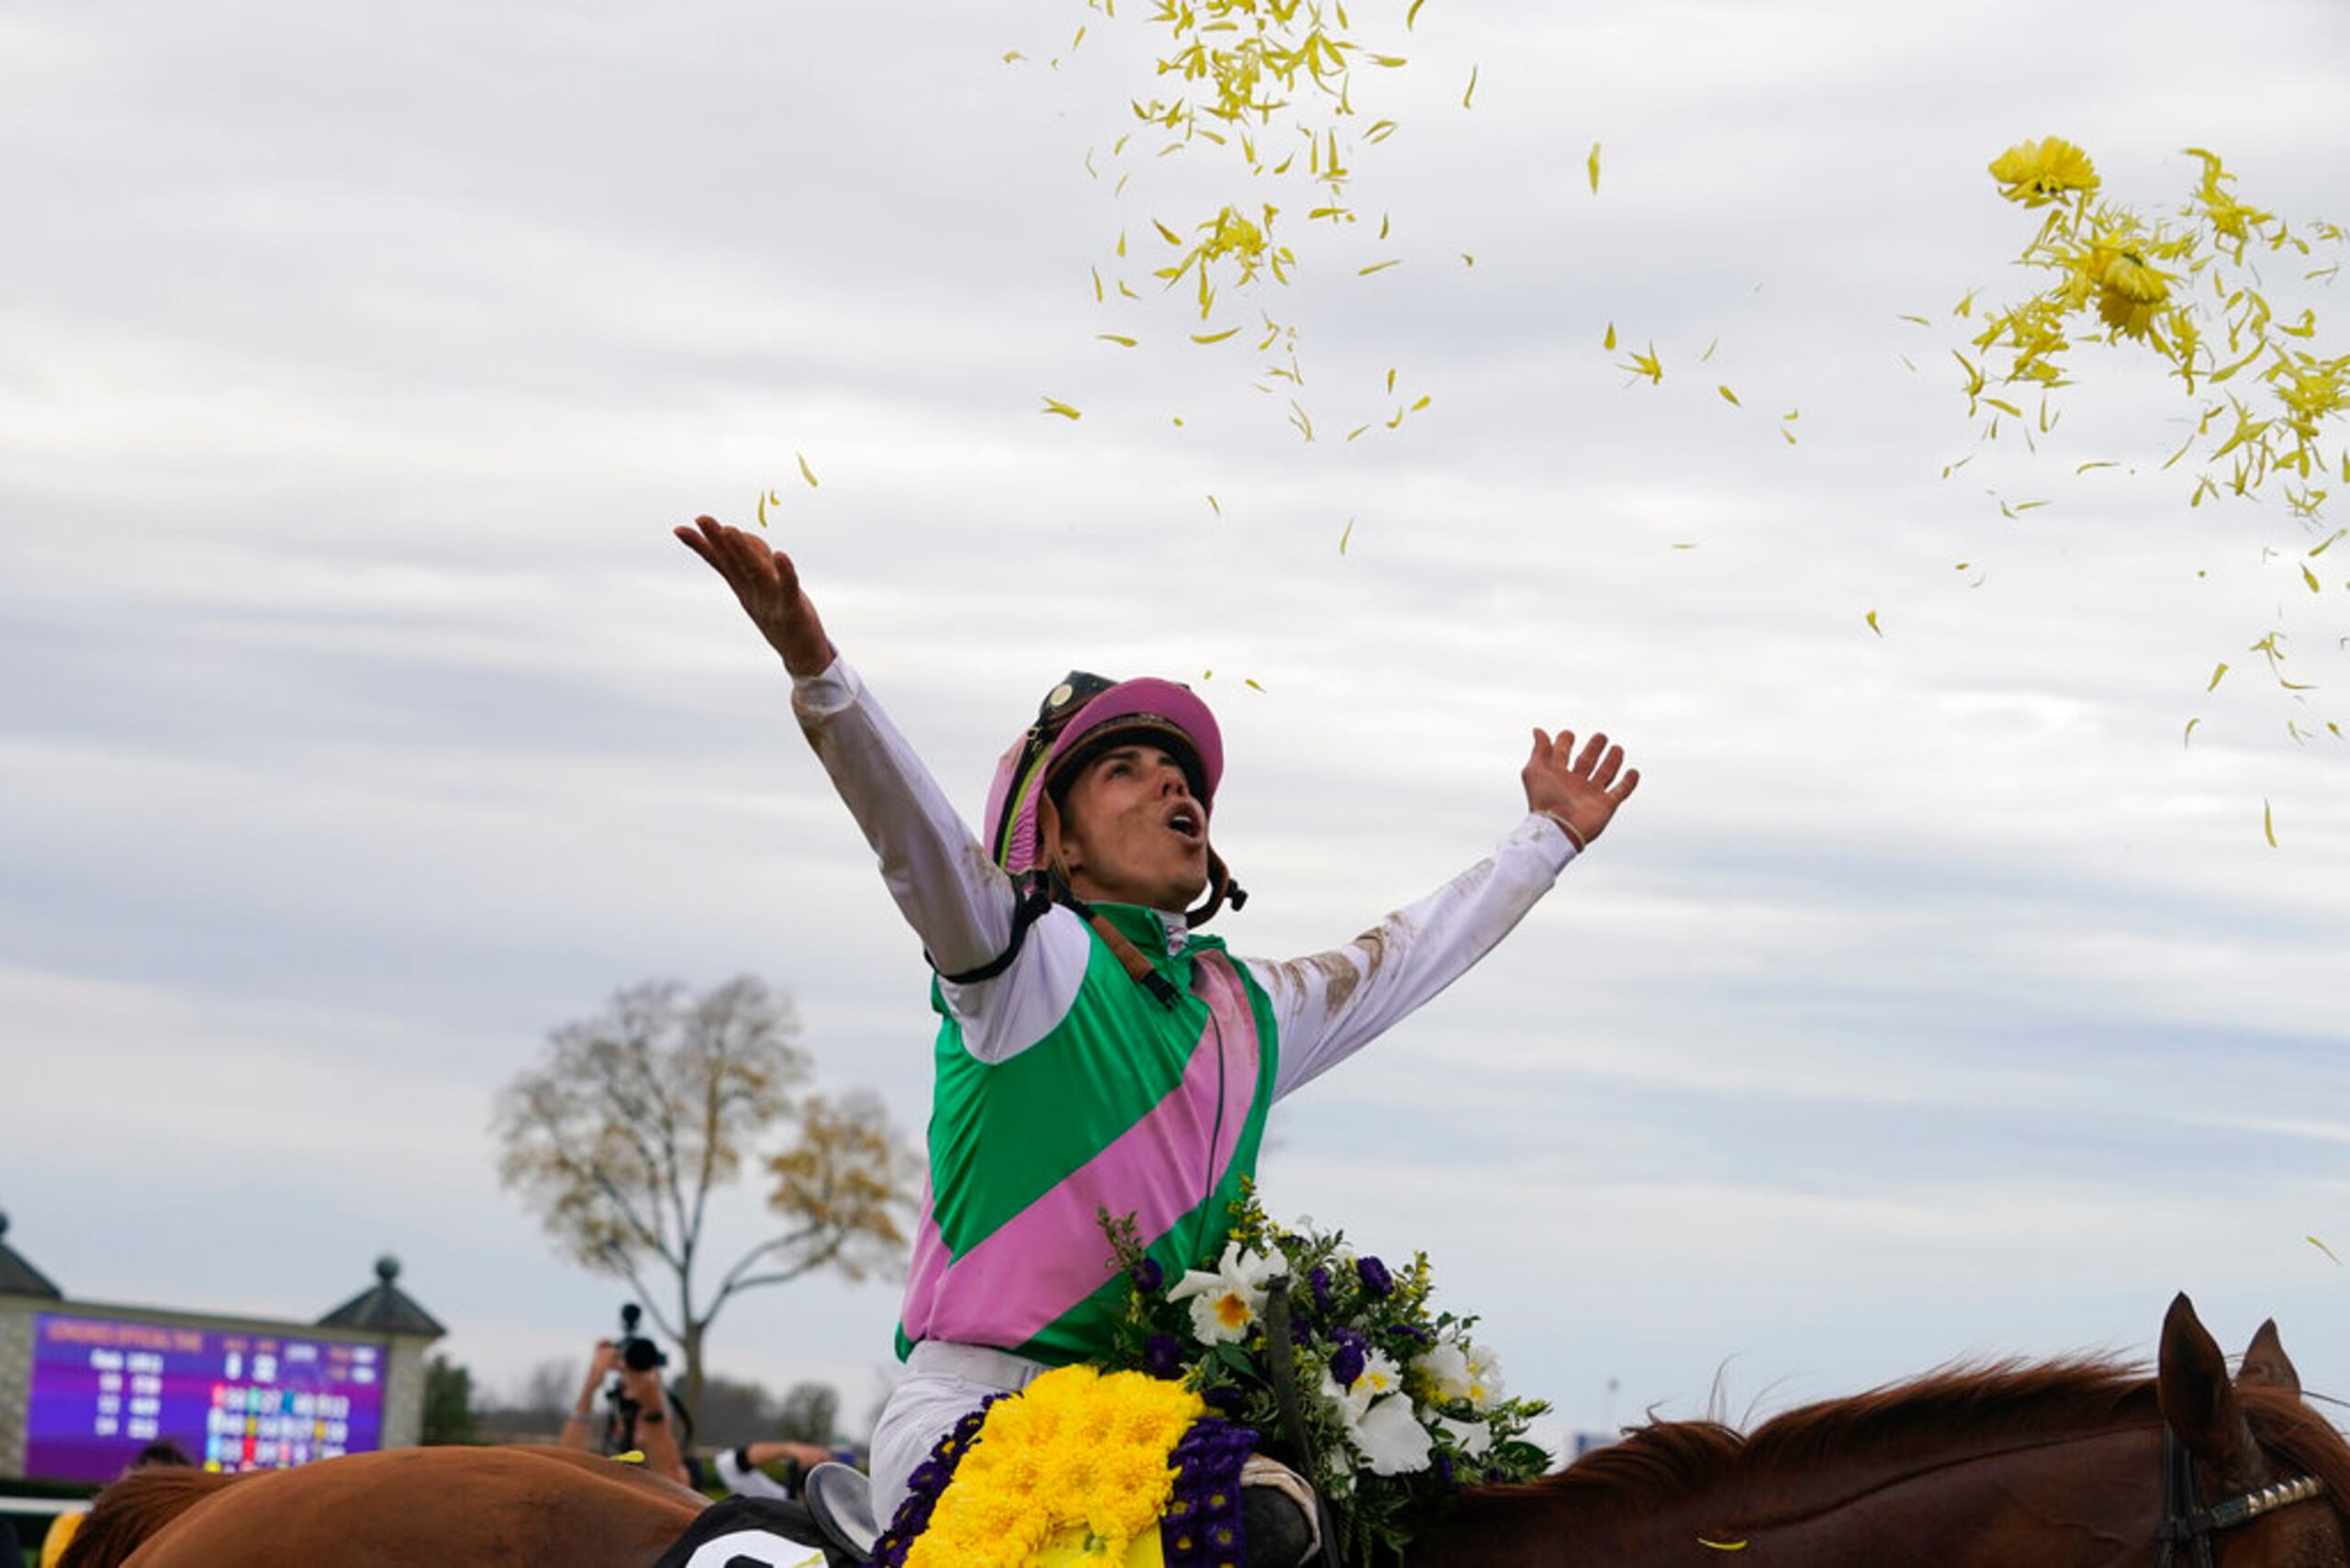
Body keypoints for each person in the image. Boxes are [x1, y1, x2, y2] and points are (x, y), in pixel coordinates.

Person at [676, 517, 1641, 1536]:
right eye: (1126, 768)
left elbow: (1405, 957)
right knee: (1260, 1524)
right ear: (1058, 840)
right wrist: (819, 671)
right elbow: (914, 838)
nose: (1175, 783)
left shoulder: (1248, 1008)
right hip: (974, 1422)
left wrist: (1546, 838)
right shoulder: (1022, 963)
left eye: (1182, 773)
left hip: (1147, 1426)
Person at [558, 1339, 689, 1487]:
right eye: (633, 1409)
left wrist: (653, 1412)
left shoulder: (683, 1466)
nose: (639, 1423)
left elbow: (674, 1486)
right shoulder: (606, 1461)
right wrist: (590, 1387)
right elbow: (566, 1469)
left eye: (644, 1416)